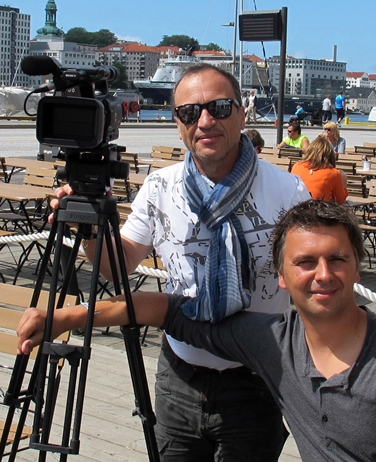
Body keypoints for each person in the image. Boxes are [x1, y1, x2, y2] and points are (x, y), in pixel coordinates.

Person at [18, 200, 376, 461]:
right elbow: (167, 310)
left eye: (337, 259)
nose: (323, 274)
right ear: (281, 277)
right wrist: (64, 318)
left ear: (356, 266)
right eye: (305, 262)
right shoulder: (274, 342)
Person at [46, 63, 310, 461]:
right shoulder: (159, 186)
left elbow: (310, 284)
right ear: (177, 122)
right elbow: (119, 267)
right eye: (189, 112)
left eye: (220, 107)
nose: (205, 120)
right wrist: (88, 226)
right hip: (179, 375)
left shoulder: (288, 190)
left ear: (241, 113)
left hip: (258, 378)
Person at [291, 138, 348, 204]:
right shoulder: (333, 173)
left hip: (296, 208)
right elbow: (340, 201)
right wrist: (343, 181)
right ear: (330, 154)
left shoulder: (297, 166)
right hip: (318, 211)